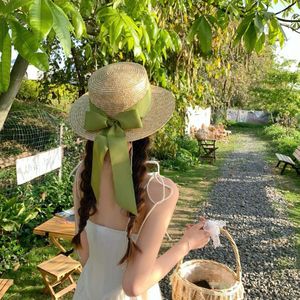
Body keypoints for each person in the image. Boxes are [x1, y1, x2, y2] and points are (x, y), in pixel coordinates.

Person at [68, 62, 210, 299]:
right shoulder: (161, 191)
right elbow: (134, 285)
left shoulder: (83, 172)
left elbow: (85, 255)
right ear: (146, 129)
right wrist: (186, 244)